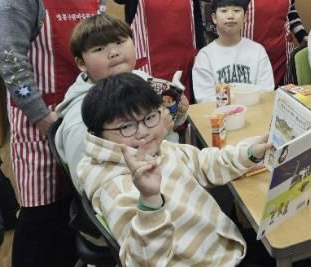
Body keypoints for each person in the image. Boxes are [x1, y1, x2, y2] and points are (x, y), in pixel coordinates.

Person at [0, 0, 105, 266]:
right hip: (40, 123)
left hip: (83, 116)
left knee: (78, 204)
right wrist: (41, 118)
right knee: (42, 212)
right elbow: (11, 64)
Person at [77, 72, 271, 266]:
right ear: (98, 134)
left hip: (215, 246)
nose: (143, 132)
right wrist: (150, 200)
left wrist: (249, 153)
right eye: (126, 127)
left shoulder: (154, 149)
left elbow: (203, 163)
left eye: (149, 117)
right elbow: (143, 261)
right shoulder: (117, 188)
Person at [55, 13, 189, 189]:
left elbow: (163, 119)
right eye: (99, 49)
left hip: (173, 168)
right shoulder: (80, 120)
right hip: (139, 193)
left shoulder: (139, 78)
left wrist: (177, 112)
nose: (114, 53)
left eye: (119, 42)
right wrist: (161, 132)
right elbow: (86, 185)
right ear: (81, 63)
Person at [192, 0, 275, 103]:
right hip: (219, 113)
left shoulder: (258, 51)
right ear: (214, 18)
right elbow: (205, 99)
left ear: (245, 17)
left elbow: (266, 92)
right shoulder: (205, 56)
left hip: (255, 111)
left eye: (236, 11)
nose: (230, 16)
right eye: (224, 11)